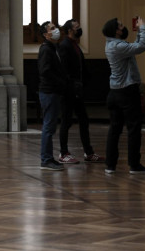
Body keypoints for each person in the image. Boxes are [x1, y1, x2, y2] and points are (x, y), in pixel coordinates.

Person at [101, 16, 145, 174]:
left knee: (114, 129)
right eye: (121, 26)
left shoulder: (112, 44)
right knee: (134, 128)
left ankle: (110, 165)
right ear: (116, 31)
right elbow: (142, 46)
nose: (123, 27)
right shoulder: (118, 46)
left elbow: (134, 46)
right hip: (127, 92)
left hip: (115, 92)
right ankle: (134, 165)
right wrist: (143, 28)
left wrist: (138, 34)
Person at [57, 19, 105, 164]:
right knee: (66, 121)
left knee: (83, 120)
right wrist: (69, 87)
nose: (79, 29)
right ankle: (63, 152)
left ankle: (88, 152)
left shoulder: (75, 45)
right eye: (77, 27)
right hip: (69, 90)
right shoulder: (65, 46)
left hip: (77, 89)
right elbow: (64, 69)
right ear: (70, 30)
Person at [38, 21, 68, 171]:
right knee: (48, 127)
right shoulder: (46, 50)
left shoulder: (53, 48)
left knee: (50, 126)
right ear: (45, 34)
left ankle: (48, 158)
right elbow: (45, 71)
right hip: (49, 92)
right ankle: (46, 159)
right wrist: (61, 83)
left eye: (55, 27)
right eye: (52, 28)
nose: (56, 30)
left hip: (53, 91)